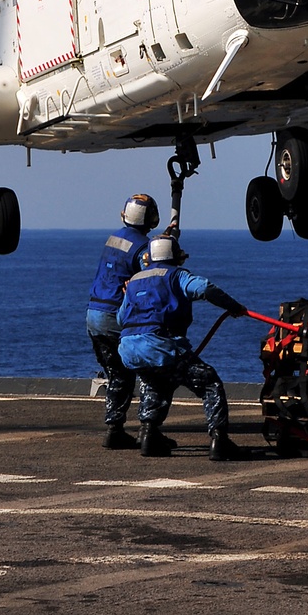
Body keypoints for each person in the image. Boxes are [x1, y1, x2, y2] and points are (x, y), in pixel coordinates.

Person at [118, 231, 249, 461]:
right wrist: (234, 306)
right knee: (209, 382)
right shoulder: (176, 276)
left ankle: (149, 435)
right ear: (174, 256)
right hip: (160, 345)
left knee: (155, 382)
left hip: (129, 348)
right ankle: (219, 440)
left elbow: (121, 319)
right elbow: (205, 288)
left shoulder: (135, 280)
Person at [86, 193, 161, 449]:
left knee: (118, 374)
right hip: (115, 317)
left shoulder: (113, 239)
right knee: (151, 372)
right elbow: (150, 276)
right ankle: (149, 431)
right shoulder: (143, 248)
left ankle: (114, 429)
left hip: (94, 316)